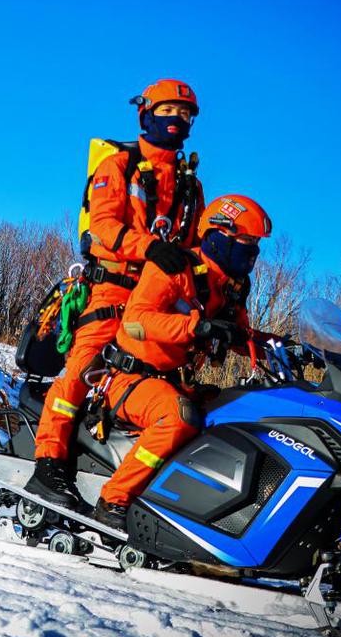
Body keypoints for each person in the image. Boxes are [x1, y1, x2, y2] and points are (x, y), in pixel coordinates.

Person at [25, 80, 206, 508]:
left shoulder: (190, 186)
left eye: (186, 115)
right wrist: (149, 247)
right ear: (146, 114)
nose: (178, 121)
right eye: (169, 112)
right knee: (82, 367)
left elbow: (196, 245)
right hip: (114, 286)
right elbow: (103, 226)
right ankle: (48, 464)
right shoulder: (118, 168)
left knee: (165, 381)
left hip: (158, 299)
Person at [89, 194, 273, 531]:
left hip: (175, 382)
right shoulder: (176, 267)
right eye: (247, 242)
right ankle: (114, 499)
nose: (253, 253)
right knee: (179, 417)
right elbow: (136, 321)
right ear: (220, 236)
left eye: (256, 245)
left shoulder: (230, 288)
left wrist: (283, 349)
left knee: (237, 413)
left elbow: (242, 336)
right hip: (131, 378)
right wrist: (196, 326)